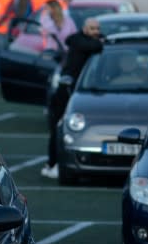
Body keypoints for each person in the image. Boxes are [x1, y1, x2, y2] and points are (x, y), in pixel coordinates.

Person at [41, 18, 103, 179]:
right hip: (65, 92)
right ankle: (52, 163)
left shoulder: (85, 40)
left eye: (97, 29)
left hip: (79, 92)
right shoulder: (79, 41)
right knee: (58, 128)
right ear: (84, 29)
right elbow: (94, 45)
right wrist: (102, 40)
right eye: (92, 28)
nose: (96, 32)